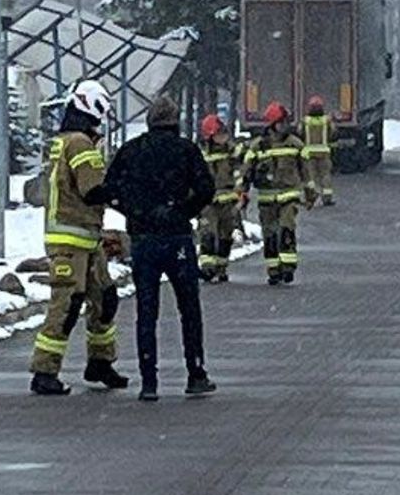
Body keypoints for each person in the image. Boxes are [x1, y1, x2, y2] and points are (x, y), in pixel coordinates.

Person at [103, 95, 217, 402]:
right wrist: (182, 211)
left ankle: (149, 381)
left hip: (144, 241)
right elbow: (207, 189)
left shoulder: (131, 151)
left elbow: (110, 188)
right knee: (189, 309)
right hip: (178, 238)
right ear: (175, 121)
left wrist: (136, 212)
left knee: (147, 310)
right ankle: (195, 373)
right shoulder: (186, 150)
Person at [29, 80, 130, 396]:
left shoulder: (69, 140)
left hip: (86, 239)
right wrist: (126, 196)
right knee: (67, 304)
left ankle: (100, 362)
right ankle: (44, 371)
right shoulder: (79, 144)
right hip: (70, 241)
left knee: (105, 299)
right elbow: (93, 190)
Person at [241, 101, 318, 285]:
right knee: (270, 234)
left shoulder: (295, 144)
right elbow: (246, 171)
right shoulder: (258, 147)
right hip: (266, 199)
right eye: (280, 122)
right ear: (272, 124)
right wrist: (242, 193)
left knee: (286, 228)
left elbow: (306, 171)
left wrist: (310, 193)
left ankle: (288, 266)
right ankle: (273, 269)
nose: (284, 126)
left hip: (288, 196)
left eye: (286, 122)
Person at [197, 113, 244, 284]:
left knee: (226, 236)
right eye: (219, 134)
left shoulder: (232, 152)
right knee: (208, 233)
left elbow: (240, 171)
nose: (223, 137)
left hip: (228, 201)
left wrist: (240, 192)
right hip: (208, 203)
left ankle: (221, 267)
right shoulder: (201, 154)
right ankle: (207, 268)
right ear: (210, 136)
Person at [302, 95, 337, 206]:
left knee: (311, 177)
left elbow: (300, 133)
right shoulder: (326, 121)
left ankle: (312, 197)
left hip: (309, 153)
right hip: (324, 153)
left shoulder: (305, 121)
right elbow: (333, 133)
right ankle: (327, 198)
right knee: (325, 175)